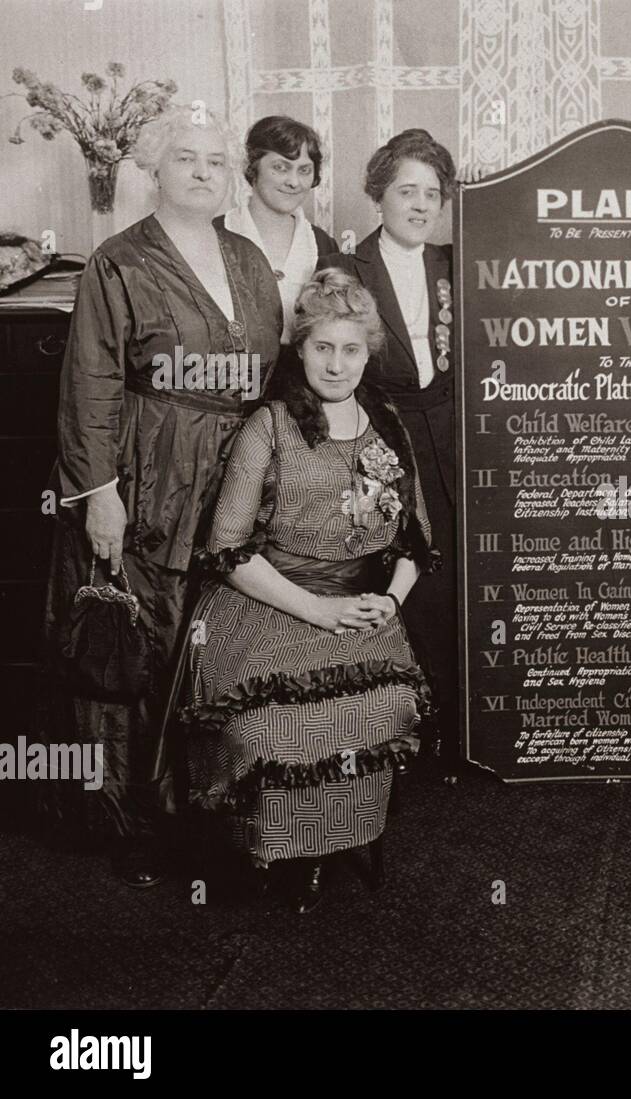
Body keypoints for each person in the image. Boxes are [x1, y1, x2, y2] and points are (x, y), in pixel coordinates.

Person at [37, 107, 281, 886]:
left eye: (217, 160)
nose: (205, 172)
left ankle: (199, 808)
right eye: (186, 158)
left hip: (230, 475)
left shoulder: (246, 257)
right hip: (145, 472)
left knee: (211, 641)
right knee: (137, 645)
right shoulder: (118, 261)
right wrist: (97, 493)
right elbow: (90, 386)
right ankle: (130, 820)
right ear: (152, 170)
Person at [182, 269, 438, 913]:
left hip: (360, 606)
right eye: (323, 347)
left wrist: (393, 599)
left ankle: (332, 843)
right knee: (275, 725)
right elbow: (228, 551)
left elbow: (415, 540)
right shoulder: (268, 424)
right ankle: (273, 849)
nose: (337, 363)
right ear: (300, 348)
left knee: (379, 707)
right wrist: (318, 610)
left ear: (368, 352)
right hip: (268, 602)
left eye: (351, 349)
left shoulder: (386, 422)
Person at [318, 129, 460, 767]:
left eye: (434, 193)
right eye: (408, 191)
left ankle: (456, 721)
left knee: (453, 560)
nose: (422, 205)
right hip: (382, 432)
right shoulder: (349, 271)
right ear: (379, 195)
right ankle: (398, 722)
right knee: (399, 564)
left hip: (452, 431)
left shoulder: (455, 261)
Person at [220, 115, 339, 343]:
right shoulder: (215, 233)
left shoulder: (322, 244)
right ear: (252, 167)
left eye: (304, 170)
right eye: (280, 168)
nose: (293, 182)